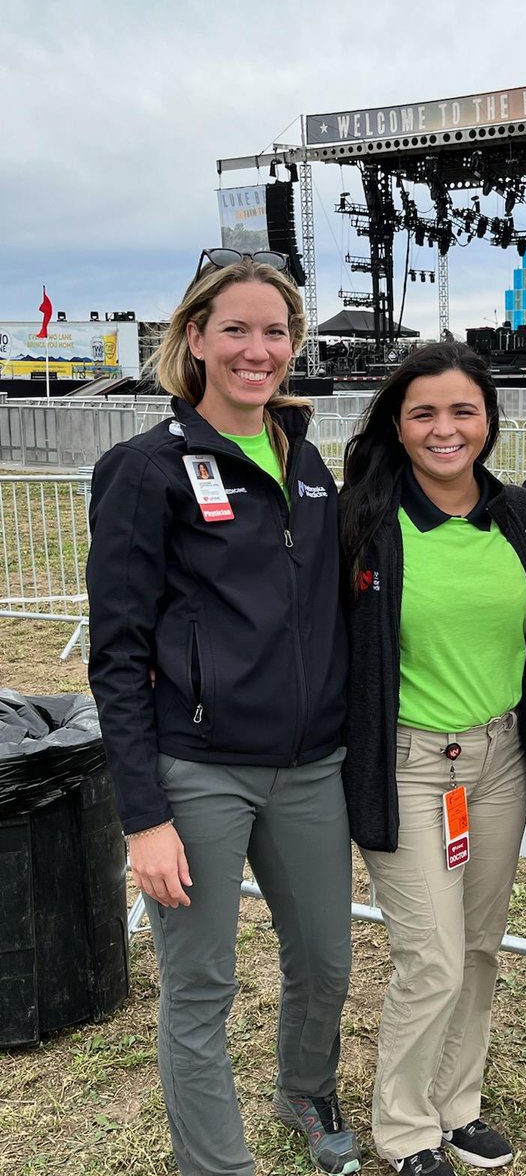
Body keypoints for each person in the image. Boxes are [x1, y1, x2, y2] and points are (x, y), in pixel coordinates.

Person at [86, 250, 359, 1176]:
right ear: (194, 339)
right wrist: (145, 818)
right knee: (200, 985)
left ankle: (304, 1090)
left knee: (325, 959)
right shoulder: (144, 470)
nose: (258, 349)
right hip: (197, 771)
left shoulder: (307, 460)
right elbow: (117, 656)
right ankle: (216, 1165)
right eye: (234, 329)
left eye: (275, 331)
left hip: (311, 765)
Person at [339, 342, 526, 1176]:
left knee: (480, 945)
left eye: (463, 410)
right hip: (408, 763)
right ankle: (404, 1128)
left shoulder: (520, 515)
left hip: (500, 761)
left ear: (489, 419)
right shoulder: (363, 520)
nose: (445, 428)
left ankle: (459, 1107)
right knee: (430, 956)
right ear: (398, 422)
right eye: (423, 412)